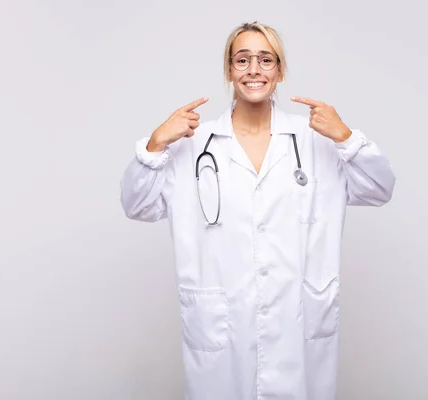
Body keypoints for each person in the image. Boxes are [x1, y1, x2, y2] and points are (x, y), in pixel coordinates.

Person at [120, 21, 395, 400]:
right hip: (222, 329)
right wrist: (155, 143)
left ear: (280, 71)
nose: (254, 69)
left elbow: (380, 189)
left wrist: (346, 136)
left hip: (296, 330)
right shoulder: (193, 145)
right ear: (230, 71)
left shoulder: (315, 141)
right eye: (242, 59)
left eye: (266, 60)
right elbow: (137, 205)